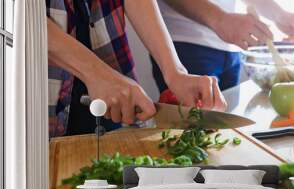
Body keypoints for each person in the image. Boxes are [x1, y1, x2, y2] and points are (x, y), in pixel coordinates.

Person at [46, 0, 227, 137]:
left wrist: (175, 72)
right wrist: (96, 74)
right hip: (42, 96)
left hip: (113, 81)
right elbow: (20, 19)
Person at [152, 0, 294, 92]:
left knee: (223, 136)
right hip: (186, 46)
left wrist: (278, 14)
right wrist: (220, 19)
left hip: (232, 49)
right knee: (189, 136)